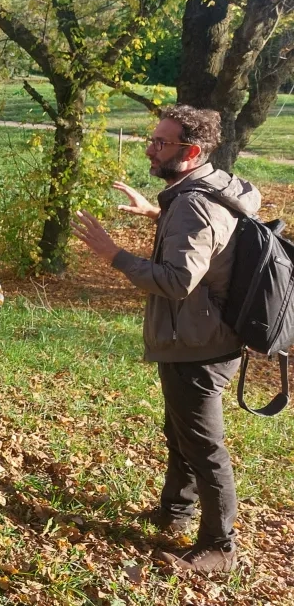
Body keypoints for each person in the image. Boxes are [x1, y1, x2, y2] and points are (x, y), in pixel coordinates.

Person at [71, 105, 261, 574]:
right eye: (151, 139)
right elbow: (214, 238)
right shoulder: (212, 186)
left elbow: (178, 280)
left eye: (162, 143)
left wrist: (113, 254)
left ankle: (220, 548)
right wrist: (158, 211)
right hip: (207, 334)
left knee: (203, 445)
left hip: (200, 344)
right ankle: (176, 512)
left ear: (191, 151)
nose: (150, 148)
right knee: (180, 432)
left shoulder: (192, 202)